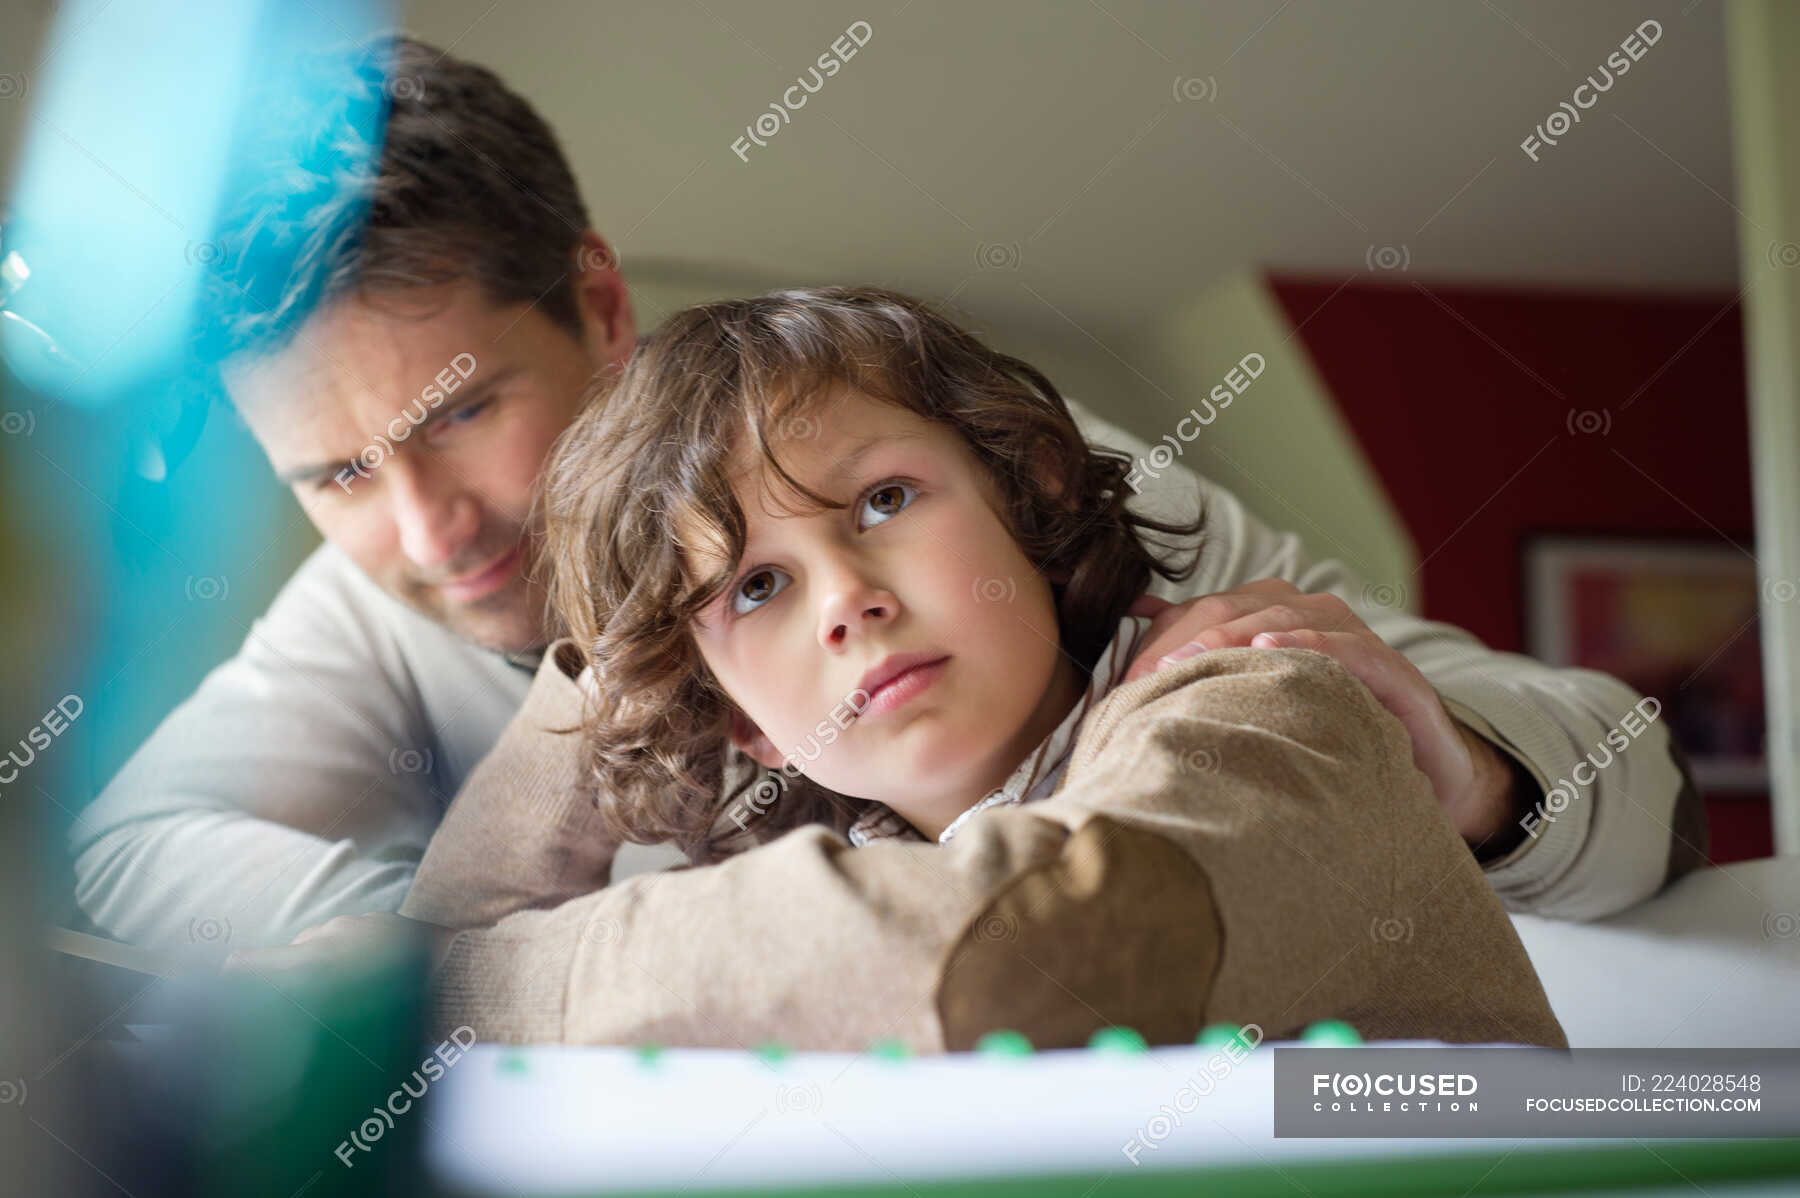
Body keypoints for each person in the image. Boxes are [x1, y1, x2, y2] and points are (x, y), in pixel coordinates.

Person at [71, 34, 1702, 954]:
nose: (431, 532)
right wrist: (508, 960)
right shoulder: (369, 607)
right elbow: (128, 851)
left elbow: (1616, 774)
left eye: (464, 412)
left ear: (598, 299)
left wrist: (1475, 775)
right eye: (338, 474)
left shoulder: (996, 479)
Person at [292, 284, 1566, 1050]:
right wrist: (613, 676)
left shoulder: (1257, 706)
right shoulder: (876, 853)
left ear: (1032, 493)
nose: (847, 597)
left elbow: (1044, 944)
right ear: (748, 732)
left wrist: (449, 991)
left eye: (885, 497)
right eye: (755, 588)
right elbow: (450, 934)